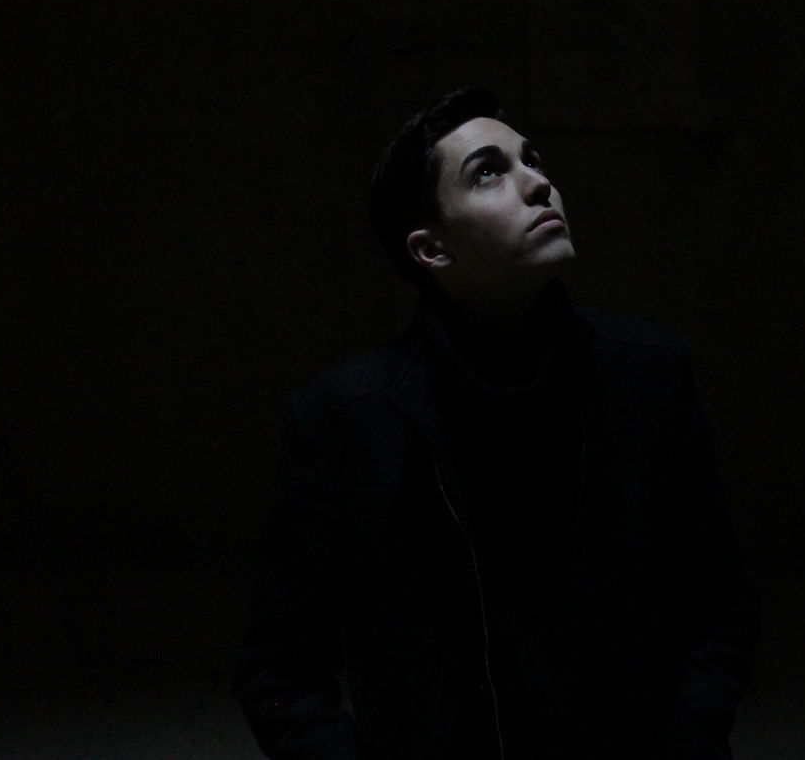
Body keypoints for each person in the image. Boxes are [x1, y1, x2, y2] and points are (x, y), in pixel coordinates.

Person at [232, 88, 758, 759]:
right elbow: (276, 669)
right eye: (489, 171)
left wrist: (688, 735)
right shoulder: (345, 422)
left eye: (533, 160)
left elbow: (723, 604)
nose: (540, 184)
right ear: (432, 250)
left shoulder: (650, 377)